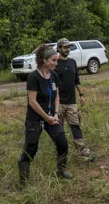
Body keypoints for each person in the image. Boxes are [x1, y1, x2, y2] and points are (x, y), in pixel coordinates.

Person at [18, 44, 73, 184]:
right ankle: (23, 181)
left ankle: (61, 171)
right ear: (44, 60)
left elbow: (56, 96)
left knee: (62, 143)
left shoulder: (54, 75)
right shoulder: (33, 77)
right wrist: (46, 117)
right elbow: (32, 102)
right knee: (31, 149)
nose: (56, 63)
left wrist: (56, 113)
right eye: (53, 60)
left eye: (56, 60)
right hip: (35, 118)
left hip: (52, 117)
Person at [54, 38, 95, 161]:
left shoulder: (72, 62)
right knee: (58, 129)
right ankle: (61, 152)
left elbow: (76, 80)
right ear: (59, 48)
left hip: (72, 102)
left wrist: (81, 94)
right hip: (58, 103)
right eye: (65, 47)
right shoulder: (54, 64)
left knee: (75, 126)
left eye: (69, 47)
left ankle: (83, 151)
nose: (67, 49)